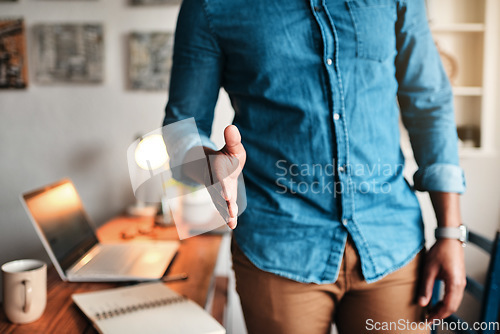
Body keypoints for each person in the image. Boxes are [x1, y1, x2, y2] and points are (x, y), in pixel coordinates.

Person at [163, 0, 467, 333]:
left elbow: (429, 103)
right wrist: (209, 166)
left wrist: (450, 232)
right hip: (277, 247)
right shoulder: (209, 6)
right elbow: (181, 130)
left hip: (392, 243)